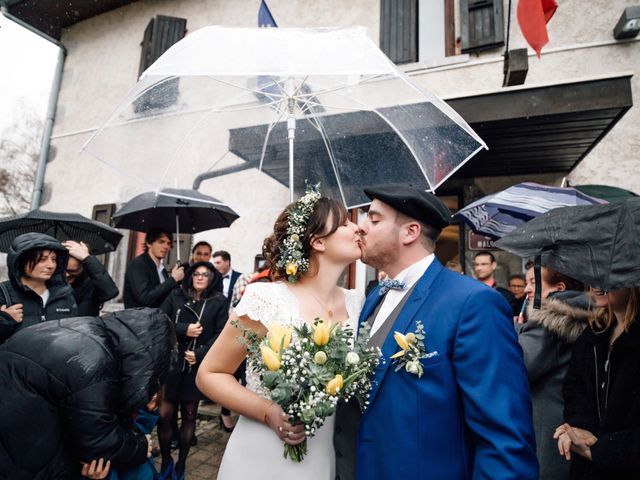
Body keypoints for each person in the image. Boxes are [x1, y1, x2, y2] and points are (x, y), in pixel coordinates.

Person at [339, 186, 537, 480]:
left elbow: (504, 437)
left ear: (410, 232)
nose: (360, 227)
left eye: (374, 220)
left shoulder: (473, 303)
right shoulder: (373, 298)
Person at [196, 192, 363, 479]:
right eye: (346, 224)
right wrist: (267, 411)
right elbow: (210, 374)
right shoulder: (266, 300)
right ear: (318, 241)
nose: (358, 228)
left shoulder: (357, 302)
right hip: (263, 451)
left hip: (325, 455)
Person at [0, 308, 174, 478]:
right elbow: (98, 441)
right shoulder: (96, 361)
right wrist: (141, 447)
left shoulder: (85, 330)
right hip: (23, 450)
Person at [555, 286, 640, 480]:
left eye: (609, 272)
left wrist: (601, 450)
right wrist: (580, 428)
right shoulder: (593, 334)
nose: (596, 283)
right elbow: (574, 389)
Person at [518, 265, 591, 479]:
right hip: (566, 416)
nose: (527, 290)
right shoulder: (582, 311)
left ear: (559, 288)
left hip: (547, 423)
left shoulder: (551, 320)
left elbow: (521, 366)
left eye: (535, 283)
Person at [158, 262, 228, 479]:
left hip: (195, 366)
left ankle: (181, 463)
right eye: (196, 273)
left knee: (189, 415)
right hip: (173, 363)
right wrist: (183, 329)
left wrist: (201, 354)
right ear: (190, 276)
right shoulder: (176, 295)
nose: (200, 277)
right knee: (165, 415)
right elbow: (160, 320)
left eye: (205, 274)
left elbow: (221, 334)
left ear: (212, 278)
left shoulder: (218, 302)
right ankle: (166, 459)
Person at [0, 232, 77, 342]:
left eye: (54, 259)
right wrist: (5, 320)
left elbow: (74, 336)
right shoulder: (3, 293)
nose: (51, 265)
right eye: (42, 259)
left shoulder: (64, 294)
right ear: (21, 261)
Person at [123, 227, 184, 308]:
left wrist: (178, 282)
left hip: (157, 318)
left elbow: (164, 295)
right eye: (161, 242)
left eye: (168, 243)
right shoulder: (138, 265)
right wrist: (173, 279)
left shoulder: (161, 269)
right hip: (138, 318)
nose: (166, 247)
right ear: (149, 243)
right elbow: (145, 298)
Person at [63, 240, 119, 316]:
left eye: (73, 271)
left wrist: (87, 258)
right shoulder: (51, 279)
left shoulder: (92, 281)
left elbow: (110, 292)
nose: (67, 275)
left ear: (83, 266)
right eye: (63, 270)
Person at [474, 250, 519, 315]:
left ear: (493, 265)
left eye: (484, 264)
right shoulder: (468, 291)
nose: (479, 268)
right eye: (476, 264)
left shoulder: (505, 296)